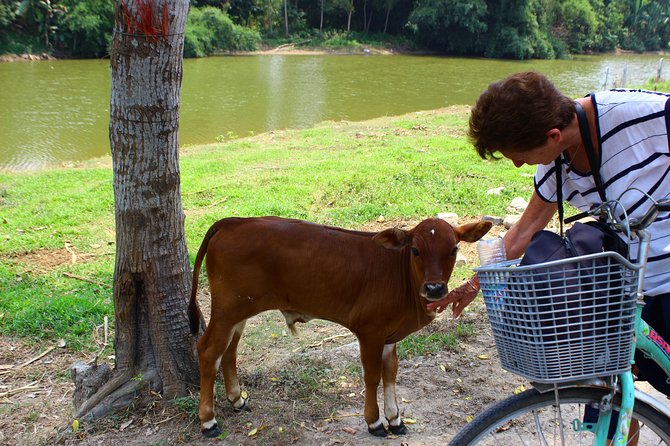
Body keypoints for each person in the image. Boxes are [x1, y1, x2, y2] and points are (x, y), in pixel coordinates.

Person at [426, 71, 670, 402]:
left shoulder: (647, 116)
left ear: (553, 135)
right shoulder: (558, 163)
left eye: (517, 154)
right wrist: (471, 286)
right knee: (611, 401)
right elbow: (524, 231)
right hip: (621, 291)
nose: (515, 164)